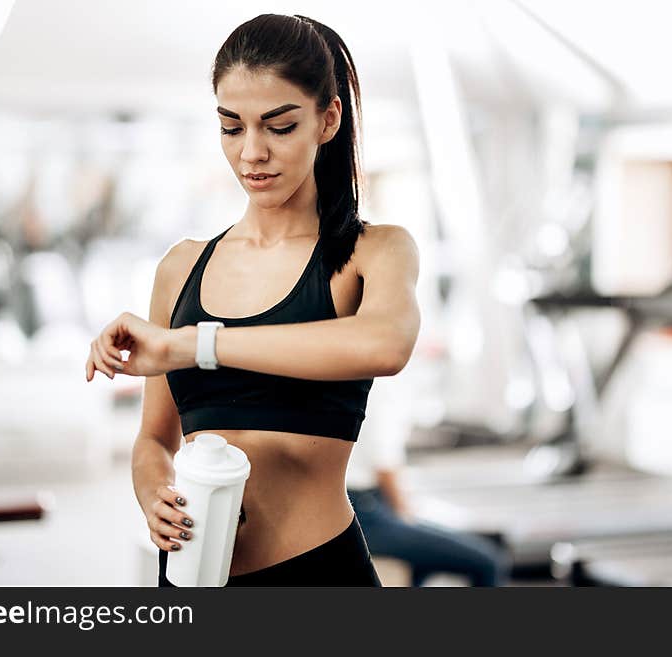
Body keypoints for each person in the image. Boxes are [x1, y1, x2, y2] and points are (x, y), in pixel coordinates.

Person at [84, 14, 420, 586]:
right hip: (192, 580)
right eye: (231, 127)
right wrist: (152, 491)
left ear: (327, 120)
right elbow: (153, 439)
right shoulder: (181, 268)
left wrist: (192, 345)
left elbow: (385, 343)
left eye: (279, 126)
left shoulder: (374, 251)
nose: (252, 153)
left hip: (316, 576)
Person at [347, 372, 512, 586]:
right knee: (488, 561)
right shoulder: (378, 389)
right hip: (367, 514)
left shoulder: (355, 381)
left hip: (363, 506)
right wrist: (406, 515)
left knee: (423, 564)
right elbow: (384, 467)